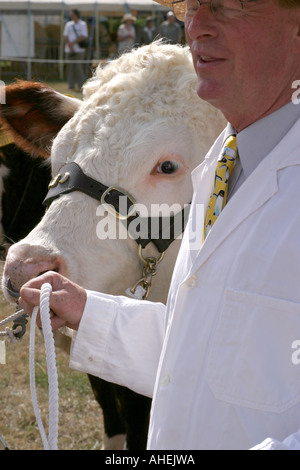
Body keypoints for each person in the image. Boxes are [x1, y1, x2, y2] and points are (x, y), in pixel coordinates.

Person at [19, 0, 300, 450]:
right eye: (192, 5)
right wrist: (90, 312)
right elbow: (212, 347)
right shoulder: (224, 160)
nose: (197, 26)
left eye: (230, 5)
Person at [63, 9, 88, 91]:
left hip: (79, 50)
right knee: (70, 68)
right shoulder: (68, 24)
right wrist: (69, 46)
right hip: (69, 50)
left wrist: (72, 43)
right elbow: (65, 36)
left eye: (72, 14)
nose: (71, 16)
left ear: (76, 15)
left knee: (78, 68)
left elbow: (83, 36)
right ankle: (71, 85)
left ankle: (81, 85)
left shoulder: (83, 24)